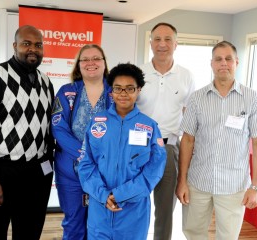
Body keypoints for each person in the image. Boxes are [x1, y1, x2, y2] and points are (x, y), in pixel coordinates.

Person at [0, 25, 55, 240]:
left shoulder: (45, 82)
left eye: (38, 45)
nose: (32, 49)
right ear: (15, 46)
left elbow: (47, 127)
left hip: (34, 174)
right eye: (26, 44)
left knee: (29, 232)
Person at [176, 41, 257, 240]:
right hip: (198, 182)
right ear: (211, 64)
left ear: (236, 62)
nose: (223, 63)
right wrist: (182, 181)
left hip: (233, 186)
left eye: (228, 59)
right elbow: (187, 140)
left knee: (228, 236)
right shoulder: (197, 98)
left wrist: (255, 187)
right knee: (193, 233)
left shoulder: (252, 99)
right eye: (218, 59)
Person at [78, 63, 167, 239]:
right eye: (118, 88)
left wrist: (120, 195)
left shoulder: (149, 126)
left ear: (138, 90)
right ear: (111, 91)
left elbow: (154, 169)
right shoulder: (97, 122)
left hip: (133, 213)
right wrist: (104, 195)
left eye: (130, 88)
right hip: (100, 209)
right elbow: (86, 164)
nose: (123, 94)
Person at [136, 22, 195, 240]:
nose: (162, 44)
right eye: (157, 39)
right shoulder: (138, 72)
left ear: (176, 44)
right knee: (135, 204)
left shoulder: (186, 76)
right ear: (150, 42)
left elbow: (190, 117)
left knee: (165, 211)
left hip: (169, 148)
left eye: (168, 39)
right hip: (138, 146)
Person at [51, 44, 113, 239]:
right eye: (85, 59)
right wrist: (86, 155)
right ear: (78, 65)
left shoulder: (116, 92)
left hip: (106, 171)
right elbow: (58, 128)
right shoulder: (67, 91)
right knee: (74, 223)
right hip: (71, 171)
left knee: (102, 224)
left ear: (104, 63)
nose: (91, 63)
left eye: (96, 58)